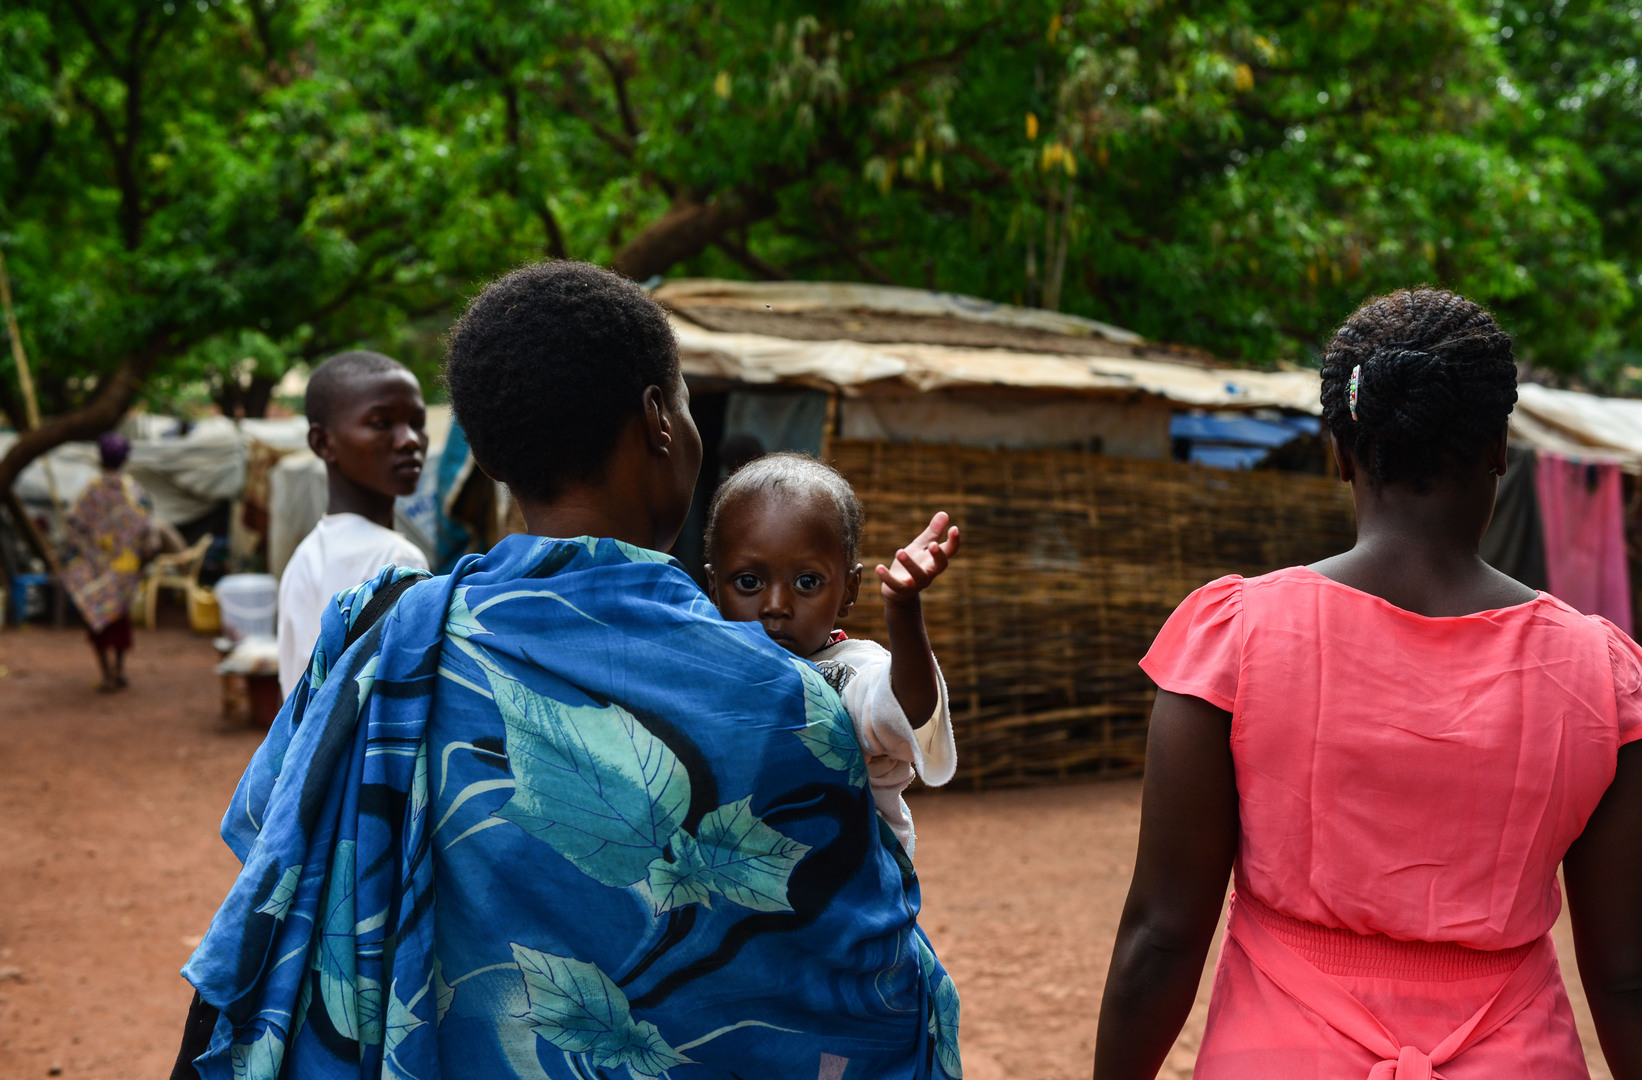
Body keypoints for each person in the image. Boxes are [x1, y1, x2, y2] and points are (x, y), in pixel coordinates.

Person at [175, 261, 962, 1080]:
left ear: (486, 453)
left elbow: (277, 850)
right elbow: (874, 985)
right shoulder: (783, 701)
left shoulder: (393, 639)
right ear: (659, 418)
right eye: (686, 403)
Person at [1092, 288, 1642, 1079]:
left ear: (1341, 452)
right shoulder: (1602, 676)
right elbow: (1626, 976)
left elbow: (1163, 937)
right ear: (1498, 447)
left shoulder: (1233, 639)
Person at [703, 453, 960, 857]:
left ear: (849, 590)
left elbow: (907, 710)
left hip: (852, 906)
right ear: (714, 588)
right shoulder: (703, 669)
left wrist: (903, 608)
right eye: (749, 581)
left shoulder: (847, 673)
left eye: (807, 582)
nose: (775, 605)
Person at [275, 349, 430, 698]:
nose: (410, 440)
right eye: (381, 423)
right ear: (322, 443)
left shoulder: (303, 558)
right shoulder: (399, 561)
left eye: (416, 422)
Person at [60, 432, 172, 691]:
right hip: (125, 569)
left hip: (97, 569)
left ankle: (108, 672)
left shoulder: (92, 490)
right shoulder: (134, 490)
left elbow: (75, 525)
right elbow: (148, 528)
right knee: (120, 620)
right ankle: (119, 670)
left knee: (98, 624)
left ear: (101, 458)